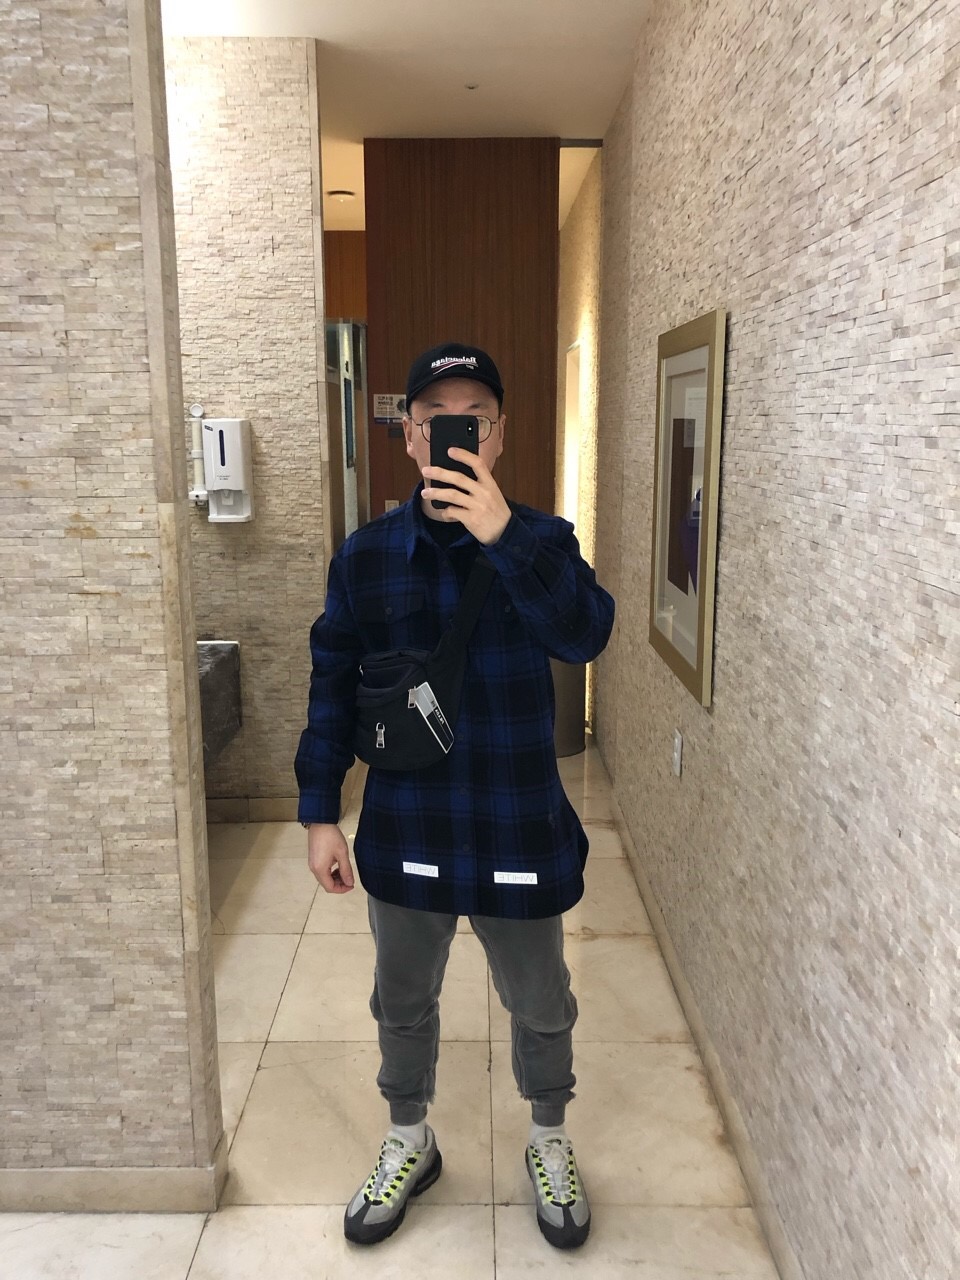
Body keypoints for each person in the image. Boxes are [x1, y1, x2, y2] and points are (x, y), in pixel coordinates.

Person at [295, 342, 615, 1250]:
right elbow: (331, 683)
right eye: (436, 419)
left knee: (542, 1001)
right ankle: (410, 1137)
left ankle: (548, 1138)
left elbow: (586, 636)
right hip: (409, 826)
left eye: (473, 418)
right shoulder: (366, 558)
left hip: (517, 826)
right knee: (401, 998)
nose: (454, 432)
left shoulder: (544, 542)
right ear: (409, 435)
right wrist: (320, 812)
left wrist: (505, 538)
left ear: (499, 435)